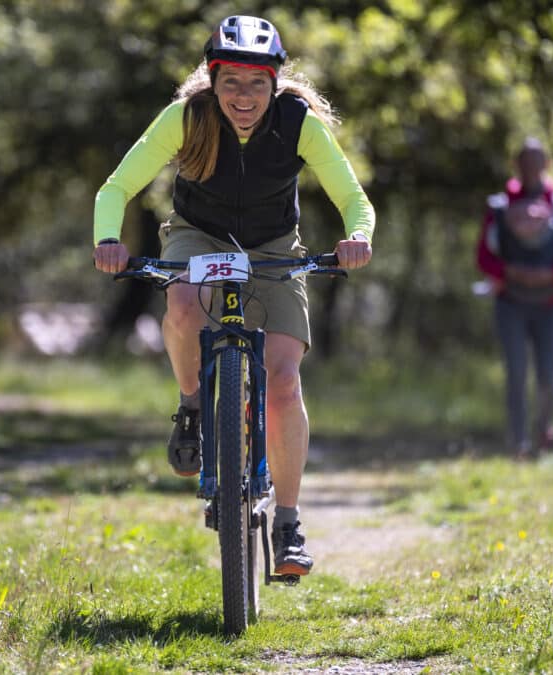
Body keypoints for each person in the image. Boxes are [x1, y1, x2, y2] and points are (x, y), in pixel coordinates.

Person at [92, 15, 375, 576]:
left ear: (275, 84)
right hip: (199, 235)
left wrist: (357, 238)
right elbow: (117, 186)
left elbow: (353, 198)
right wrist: (107, 240)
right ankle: (194, 405)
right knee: (180, 303)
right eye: (231, 83)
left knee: (285, 380)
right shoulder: (187, 117)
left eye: (256, 84)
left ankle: (288, 523)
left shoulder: (299, 123)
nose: (243, 97)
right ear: (212, 80)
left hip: (273, 245)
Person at [476, 138, 553, 457]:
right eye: (525, 161)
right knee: (516, 372)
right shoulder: (498, 207)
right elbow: (484, 255)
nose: (531, 168)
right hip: (510, 301)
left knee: (548, 377)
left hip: (552, 303)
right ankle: (518, 441)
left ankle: (544, 430)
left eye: (536, 161)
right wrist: (509, 272)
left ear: (546, 165)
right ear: (517, 165)